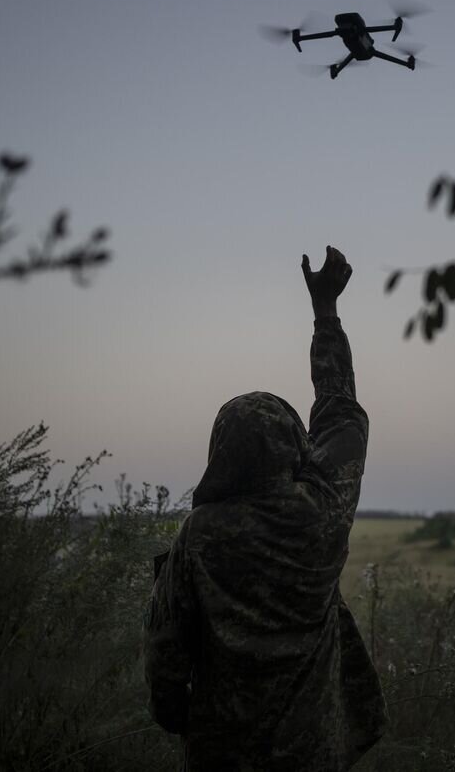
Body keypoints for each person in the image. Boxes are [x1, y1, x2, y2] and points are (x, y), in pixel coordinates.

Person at [142, 245, 387, 771]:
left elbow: (166, 646)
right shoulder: (324, 511)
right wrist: (326, 314)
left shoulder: (200, 534)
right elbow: (340, 409)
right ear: (295, 447)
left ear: (221, 452)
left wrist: (174, 713)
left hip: (220, 753)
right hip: (311, 751)